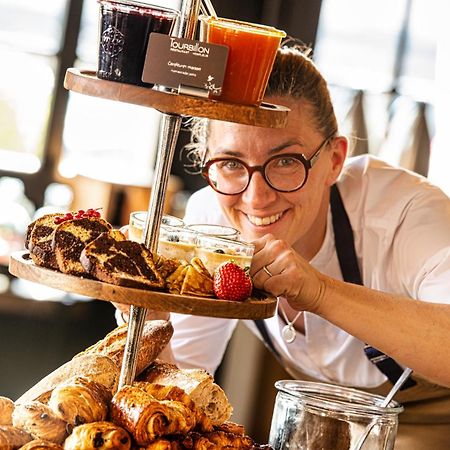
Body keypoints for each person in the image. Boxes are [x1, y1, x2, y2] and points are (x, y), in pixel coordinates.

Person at [118, 44, 450, 449]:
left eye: (286, 161)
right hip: (326, 425)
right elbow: (183, 387)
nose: (256, 199)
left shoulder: (404, 211)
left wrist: (320, 291)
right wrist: (152, 319)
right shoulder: (212, 222)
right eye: (230, 163)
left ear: (334, 158)